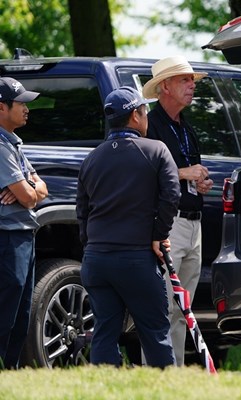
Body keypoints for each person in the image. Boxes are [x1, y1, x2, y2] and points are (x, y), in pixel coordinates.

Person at [76, 86, 180, 368]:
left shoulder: (91, 158)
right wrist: (159, 235)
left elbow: (82, 213)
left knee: (104, 332)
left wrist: (92, 248)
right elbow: (172, 196)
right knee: (155, 332)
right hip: (136, 259)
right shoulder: (156, 150)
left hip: (96, 260)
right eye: (145, 111)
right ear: (136, 115)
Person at [142, 56, 214, 366]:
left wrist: (202, 181)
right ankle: (155, 374)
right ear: (164, 87)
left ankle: (175, 375)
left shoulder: (186, 128)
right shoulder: (150, 125)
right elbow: (143, 171)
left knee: (184, 308)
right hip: (167, 225)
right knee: (162, 306)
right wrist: (184, 173)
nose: (191, 85)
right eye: (184, 80)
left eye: (192, 80)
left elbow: (190, 170)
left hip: (193, 224)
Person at [0, 77, 48, 369]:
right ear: (1, 107)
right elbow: (30, 197)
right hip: (8, 236)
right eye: (21, 103)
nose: (27, 108)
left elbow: (40, 189)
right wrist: (29, 190)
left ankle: (11, 371)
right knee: (8, 307)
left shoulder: (13, 144)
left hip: (23, 234)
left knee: (21, 309)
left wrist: (29, 186)